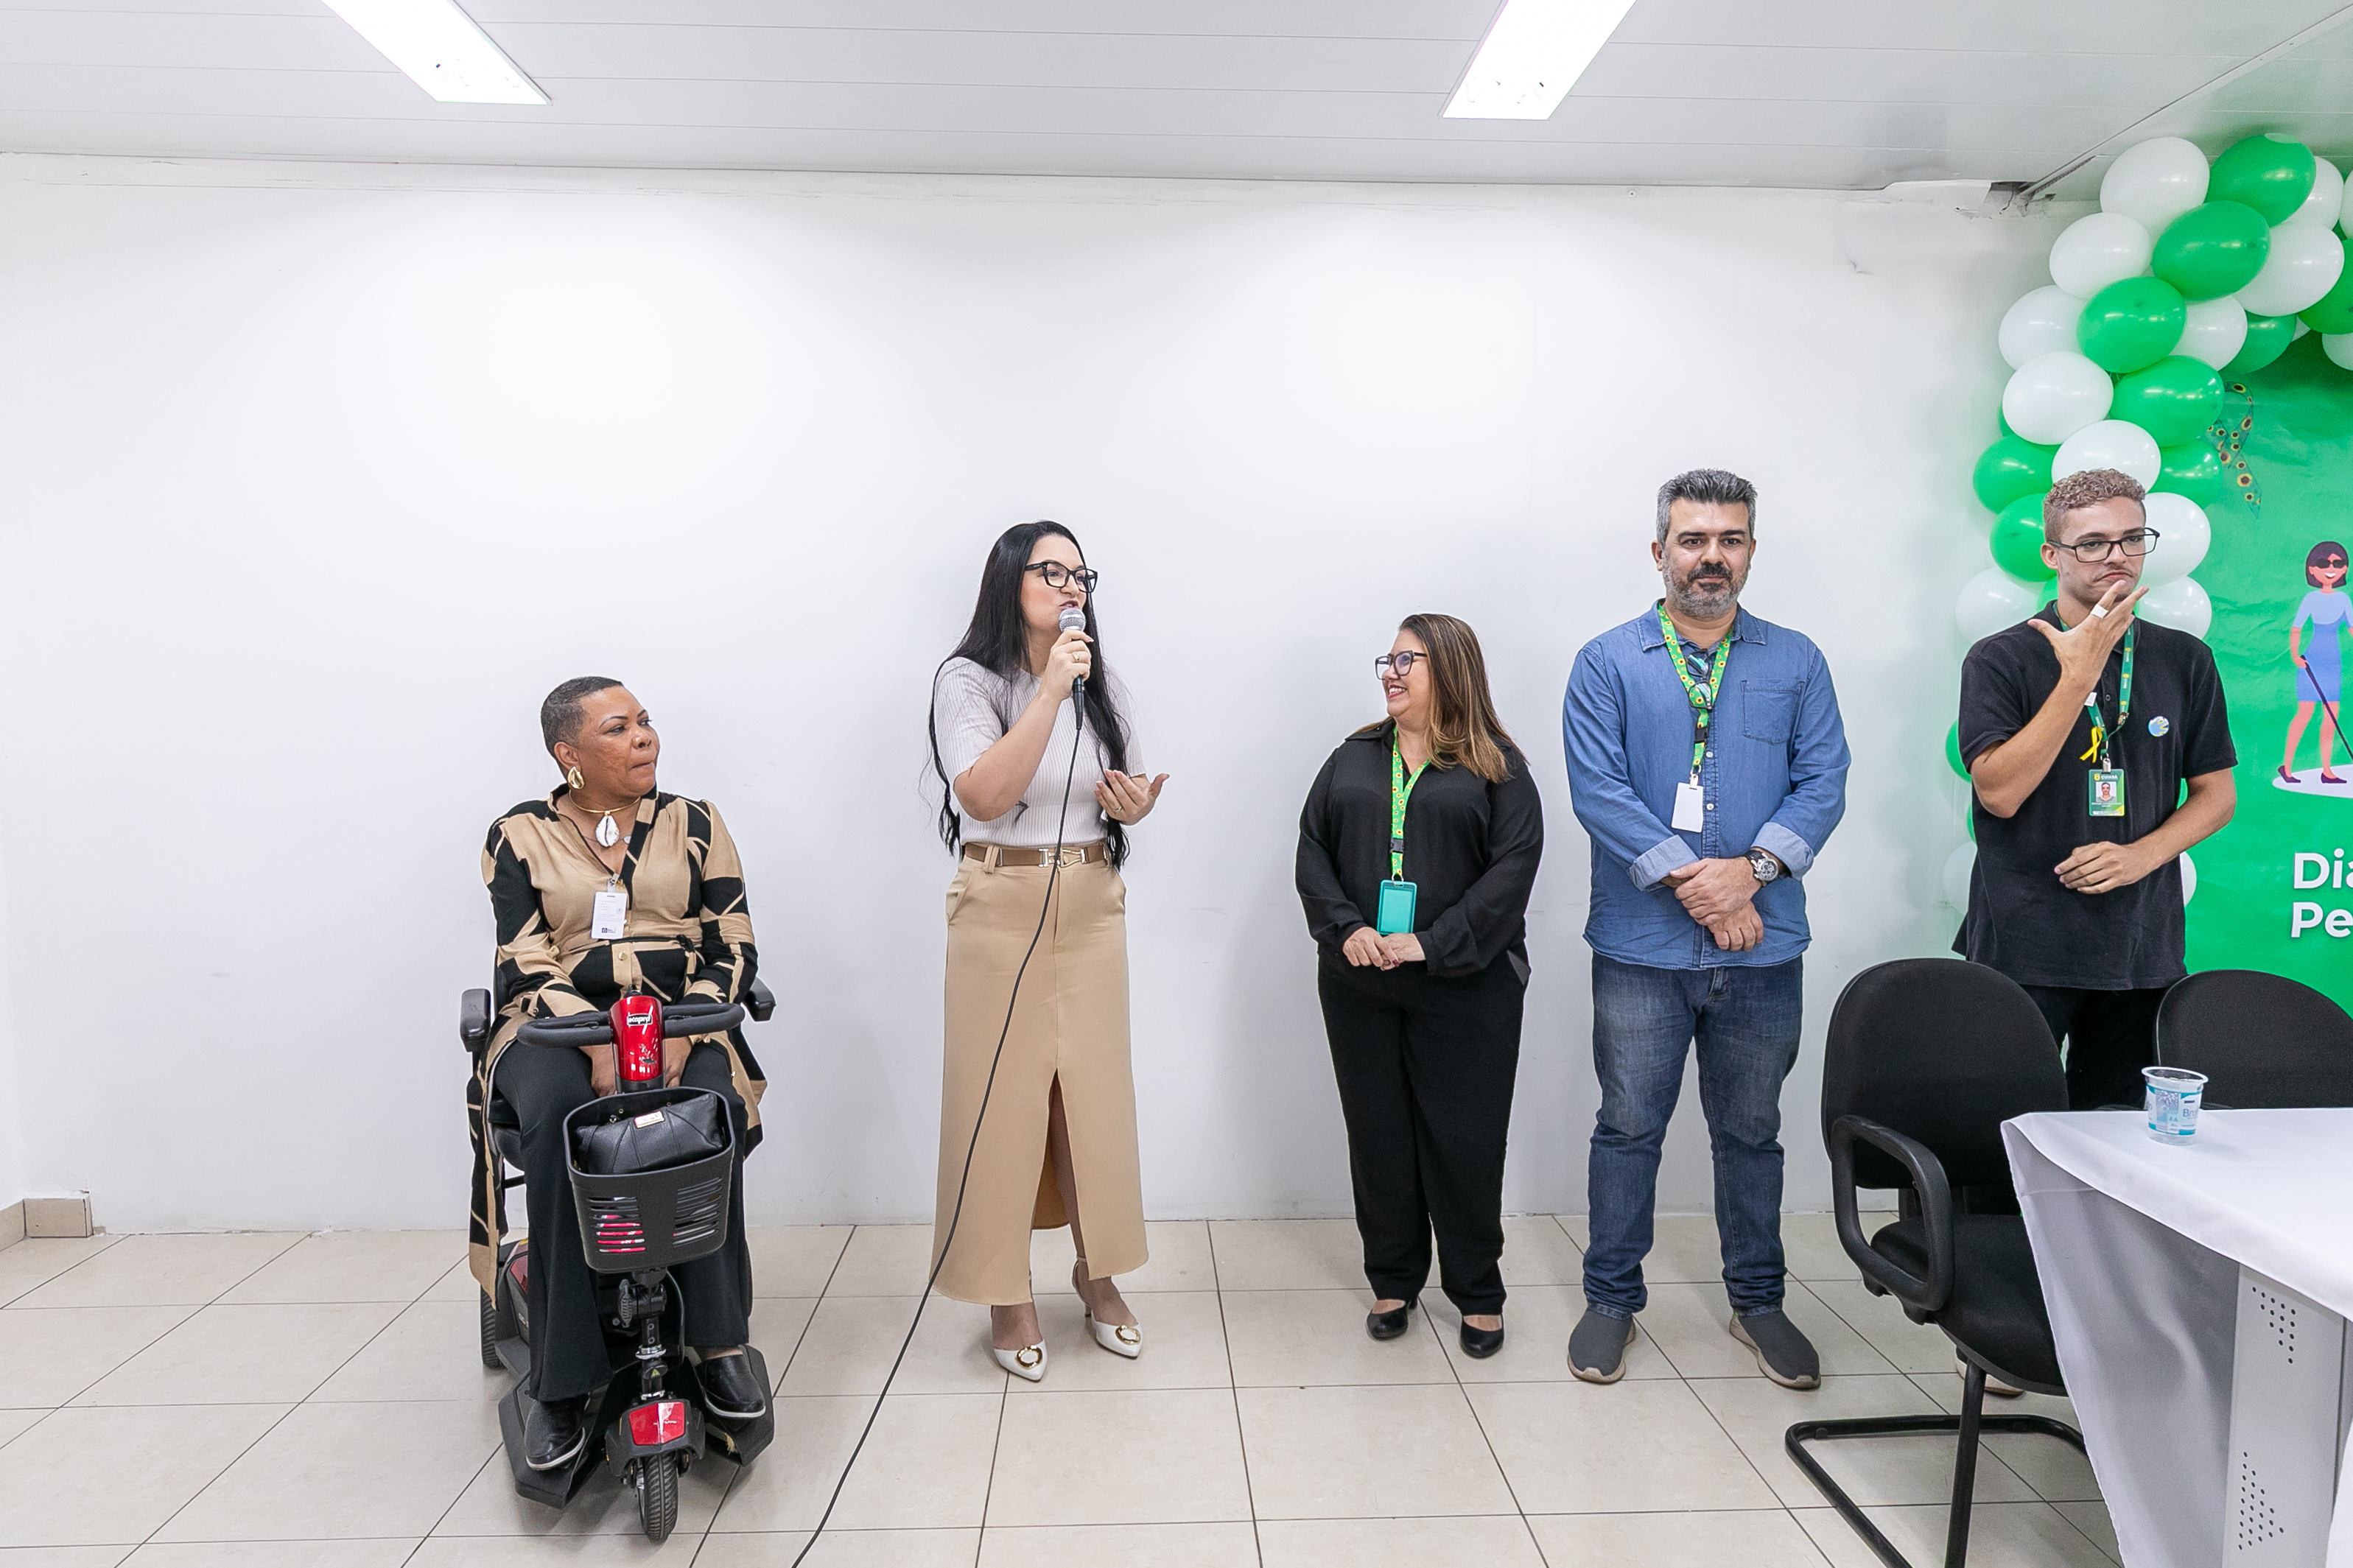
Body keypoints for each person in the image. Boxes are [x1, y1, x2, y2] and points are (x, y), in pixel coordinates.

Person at [1561, 468, 1850, 1390]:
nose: (1710, 557)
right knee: (1626, 1127)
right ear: (1659, 552)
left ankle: (1756, 1303)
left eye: (1728, 539)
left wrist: (1749, 874)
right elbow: (1597, 789)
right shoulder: (1606, 661)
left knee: (1751, 1133)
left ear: (1751, 551)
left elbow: (1823, 781)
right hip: (1639, 950)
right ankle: (1610, 1300)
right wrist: (1702, 886)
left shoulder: (1795, 661)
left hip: (1763, 951)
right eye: (1692, 539)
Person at [470, 678, 768, 1471]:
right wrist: (591, 1038)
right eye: (618, 727)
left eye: (644, 722)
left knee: (706, 1111)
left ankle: (719, 1342)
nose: (644, 736)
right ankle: (561, 1381)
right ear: (568, 753)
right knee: (562, 1120)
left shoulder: (695, 822)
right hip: (552, 1023)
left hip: (680, 1019)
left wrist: (686, 1024)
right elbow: (523, 954)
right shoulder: (518, 834)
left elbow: (733, 940)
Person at [927, 521, 1169, 1381]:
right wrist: (1047, 691)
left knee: (1092, 1099)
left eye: (1079, 573)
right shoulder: (968, 679)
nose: (1071, 586)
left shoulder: (1097, 680)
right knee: (1000, 1102)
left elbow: (1112, 788)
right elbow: (984, 794)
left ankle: (1097, 1274)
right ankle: (1006, 1291)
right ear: (1010, 579)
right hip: (1000, 904)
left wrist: (1131, 805)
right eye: (1051, 571)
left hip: (1092, 901)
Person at [1297, 615, 1544, 1359]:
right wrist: (1345, 927)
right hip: (1360, 980)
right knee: (1378, 1133)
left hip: (1466, 986)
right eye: (1388, 658)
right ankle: (1393, 1278)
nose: (1391, 671)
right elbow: (1312, 850)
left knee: (1464, 1140)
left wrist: (1431, 942)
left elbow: (1512, 874)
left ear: (1450, 669)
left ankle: (1477, 1291)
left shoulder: (1497, 765)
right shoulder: (1352, 757)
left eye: (1407, 660)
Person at [1957, 468, 2237, 1108]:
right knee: (2002, 1127)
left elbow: (2217, 795)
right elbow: (1999, 793)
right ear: (2052, 554)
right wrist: (2076, 678)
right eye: (2092, 543)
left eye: (2132, 538)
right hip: (2024, 941)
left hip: (2139, 948)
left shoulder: (2186, 659)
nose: (2117, 555)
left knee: (2114, 1134)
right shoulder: (2001, 658)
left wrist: (2141, 856)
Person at [2283, 538, 2349, 784]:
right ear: (2312, 569)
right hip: (2311, 663)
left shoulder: (2343, 599)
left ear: (2345, 568)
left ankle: (2327, 770)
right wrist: (2295, 655)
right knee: (2305, 713)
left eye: (2337, 563)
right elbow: (2296, 628)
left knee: (2331, 717)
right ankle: (2287, 767)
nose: (2330, 568)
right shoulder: (2311, 598)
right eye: (2323, 563)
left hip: (2334, 664)